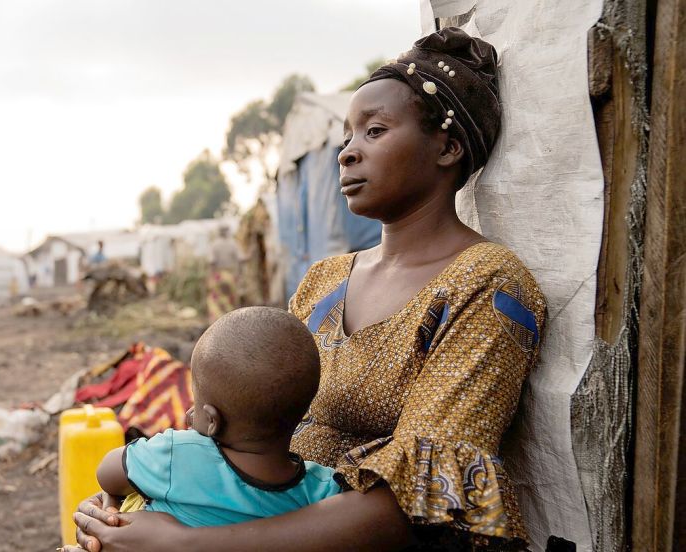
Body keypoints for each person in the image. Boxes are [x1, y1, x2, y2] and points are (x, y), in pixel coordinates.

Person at [66, 28, 547, 552]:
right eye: (346, 137)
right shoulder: (324, 280)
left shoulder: (487, 285)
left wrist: (187, 544)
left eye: (375, 131)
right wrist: (137, 506)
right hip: (251, 516)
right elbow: (247, 426)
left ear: (448, 147)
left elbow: (423, 501)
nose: (347, 153)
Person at [96, 307, 343, 527]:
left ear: (212, 421)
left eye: (197, 401)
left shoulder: (177, 455)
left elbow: (107, 472)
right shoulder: (323, 490)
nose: (191, 411)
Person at [206, 226, 242, 322]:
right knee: (231, 299)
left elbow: (212, 262)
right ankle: (232, 321)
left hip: (218, 275)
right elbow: (240, 260)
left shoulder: (214, 244)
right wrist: (239, 274)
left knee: (215, 299)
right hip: (230, 276)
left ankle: (216, 322)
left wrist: (211, 277)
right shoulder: (233, 244)